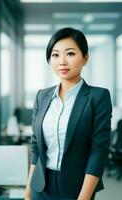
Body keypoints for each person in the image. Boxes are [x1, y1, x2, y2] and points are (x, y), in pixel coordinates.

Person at [25, 27, 112, 200]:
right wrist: (28, 193)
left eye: (70, 54)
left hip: (76, 189)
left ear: (85, 58)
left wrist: (83, 198)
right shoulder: (42, 96)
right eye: (55, 55)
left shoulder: (98, 97)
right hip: (40, 187)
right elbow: (36, 148)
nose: (62, 61)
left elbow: (98, 152)